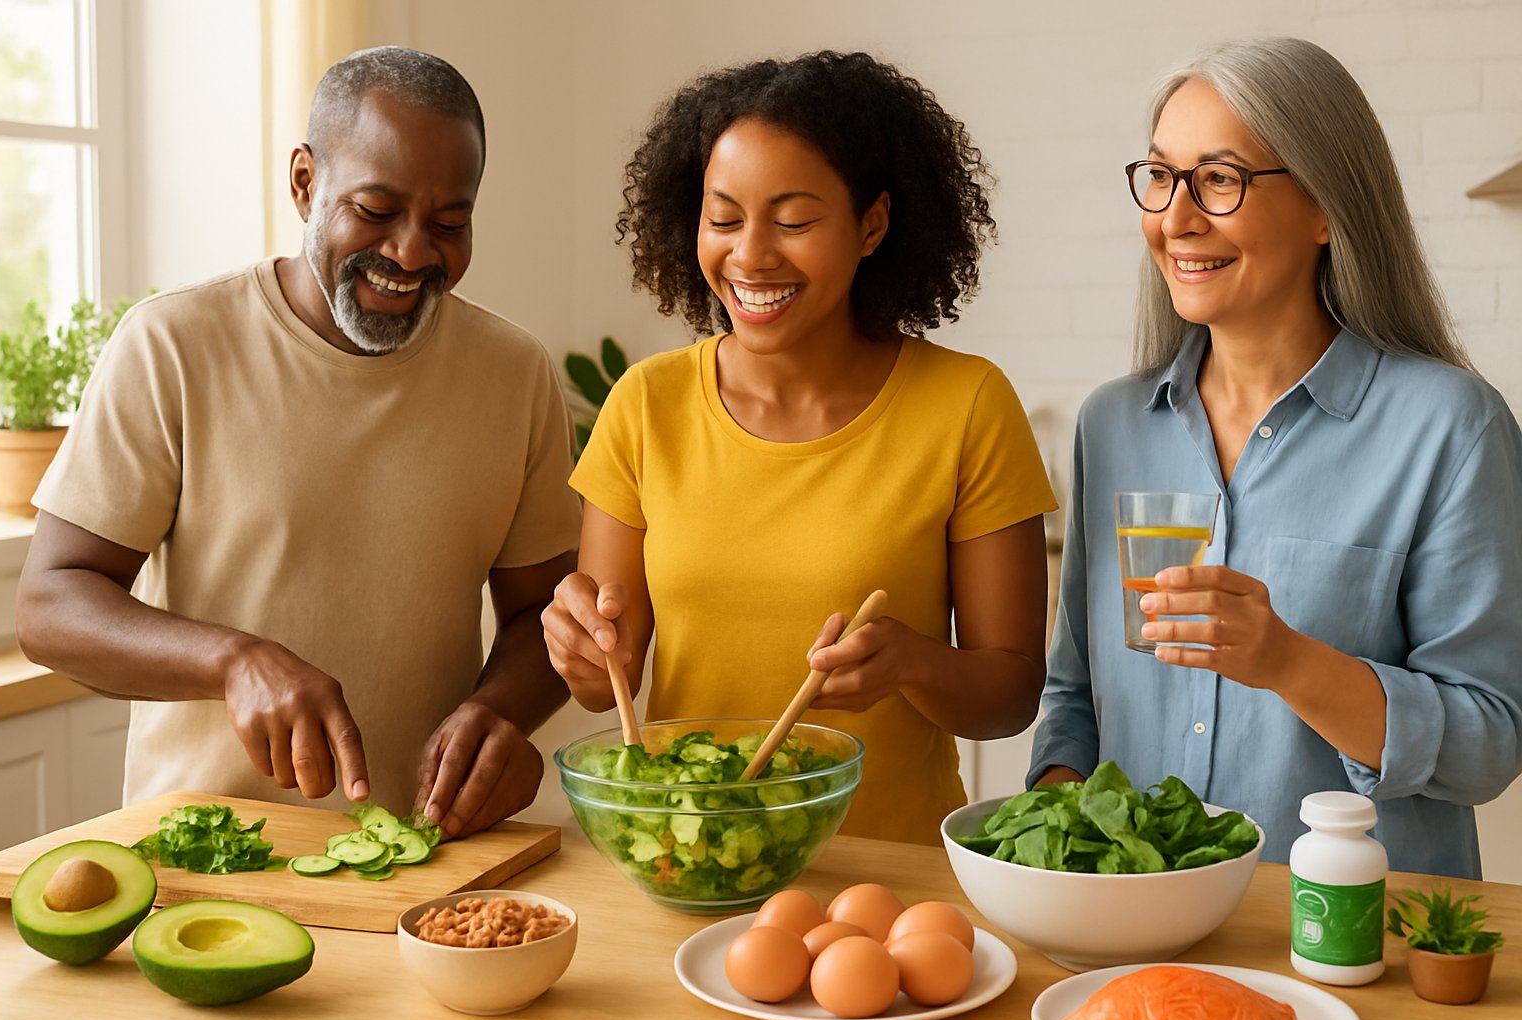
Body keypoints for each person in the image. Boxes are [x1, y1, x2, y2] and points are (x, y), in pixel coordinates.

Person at [15, 46, 582, 838]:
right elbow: (49, 606)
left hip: (421, 860)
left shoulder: (515, 373)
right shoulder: (172, 346)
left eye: (449, 223)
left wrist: (497, 713)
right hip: (201, 856)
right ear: (305, 182)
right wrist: (233, 660)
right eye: (376, 211)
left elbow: (543, 616)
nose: (413, 252)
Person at [1029, 37, 1522, 877]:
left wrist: (1287, 661)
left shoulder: (1451, 428)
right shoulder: (1114, 423)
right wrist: (1053, 841)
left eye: (1220, 179)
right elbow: (1076, 697)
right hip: (1146, 933)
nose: (1176, 218)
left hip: (1359, 944)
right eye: (1160, 176)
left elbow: (1487, 745)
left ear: (1328, 207)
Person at [541, 51, 1057, 845]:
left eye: (792, 221)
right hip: (695, 861)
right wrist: (580, 646)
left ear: (872, 225)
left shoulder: (967, 406)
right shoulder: (646, 404)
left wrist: (912, 663)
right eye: (724, 218)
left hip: (891, 880)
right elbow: (606, 680)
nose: (751, 255)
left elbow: (1010, 696)